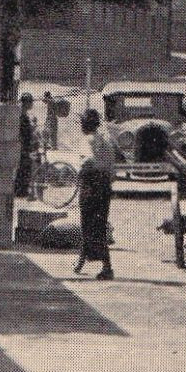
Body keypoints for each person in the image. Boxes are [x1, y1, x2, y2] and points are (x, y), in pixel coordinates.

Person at [73, 108, 117, 280]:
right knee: (99, 225)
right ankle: (92, 262)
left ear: (84, 125)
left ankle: (103, 266)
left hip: (91, 186)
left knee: (88, 225)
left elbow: (88, 161)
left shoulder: (87, 140)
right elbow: (112, 168)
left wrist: (80, 173)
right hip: (104, 186)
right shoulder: (105, 140)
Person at [15, 92, 37, 198]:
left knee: (24, 168)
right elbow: (23, 132)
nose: (32, 104)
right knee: (24, 168)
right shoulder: (21, 116)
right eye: (31, 102)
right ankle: (21, 191)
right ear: (27, 103)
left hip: (24, 146)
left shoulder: (23, 115)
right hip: (23, 146)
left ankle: (21, 190)